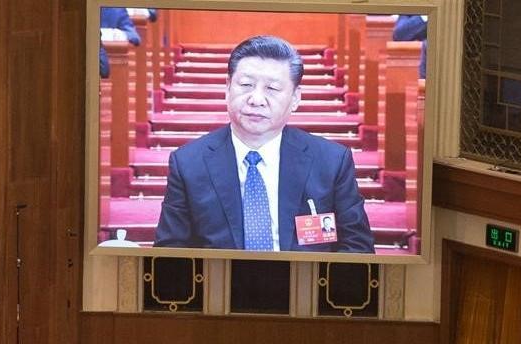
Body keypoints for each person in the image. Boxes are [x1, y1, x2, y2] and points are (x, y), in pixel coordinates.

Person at [154, 35, 373, 252]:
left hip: (306, 283)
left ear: (296, 97)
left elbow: (358, 248)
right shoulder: (189, 163)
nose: (256, 99)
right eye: (246, 85)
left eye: (272, 89)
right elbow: (169, 250)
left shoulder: (331, 161)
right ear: (227, 88)